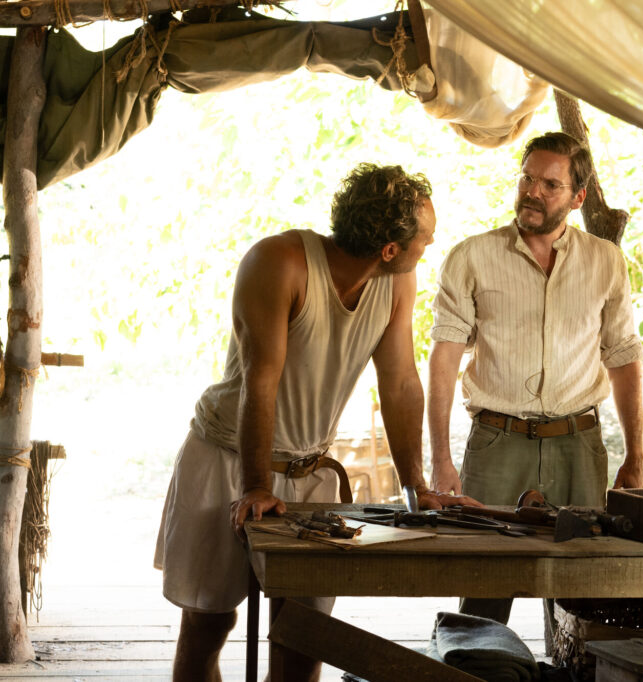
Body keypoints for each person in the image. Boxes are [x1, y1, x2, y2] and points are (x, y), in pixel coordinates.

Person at [154, 163, 476, 682]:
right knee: (208, 623)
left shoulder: (396, 281)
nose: (430, 245)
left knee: (304, 638)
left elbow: (398, 382)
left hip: (311, 472)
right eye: (425, 237)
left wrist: (416, 486)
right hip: (227, 459)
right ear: (388, 248)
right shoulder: (279, 262)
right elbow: (261, 381)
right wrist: (255, 486)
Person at [427, 131, 643, 624]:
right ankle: (478, 661)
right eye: (527, 178)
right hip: (496, 443)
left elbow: (623, 356)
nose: (533, 192)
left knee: (587, 593)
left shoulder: (605, 261)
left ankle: (575, 663)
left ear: (578, 197)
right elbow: (443, 359)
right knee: (483, 591)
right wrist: (440, 459)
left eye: (550, 185)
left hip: (578, 444)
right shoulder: (471, 257)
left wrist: (635, 457)